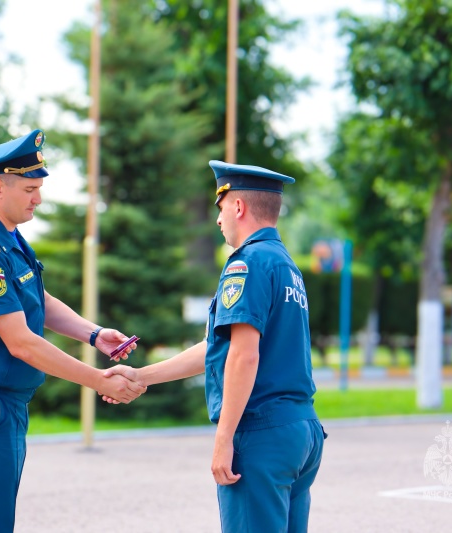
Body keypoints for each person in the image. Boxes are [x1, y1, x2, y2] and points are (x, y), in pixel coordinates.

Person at [0, 128, 144, 533]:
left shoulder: (7, 238)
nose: (39, 197)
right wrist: (100, 380)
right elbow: (23, 344)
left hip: (0, 405)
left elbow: (38, 301)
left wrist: (94, 334)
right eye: (30, 188)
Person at [106, 161, 325, 532]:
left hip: (261, 434)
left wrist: (224, 439)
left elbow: (243, 355)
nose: (218, 218)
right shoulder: (285, 265)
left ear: (238, 207)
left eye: (220, 206)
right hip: (300, 430)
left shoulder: (248, 263)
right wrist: (141, 376)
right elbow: (217, 346)